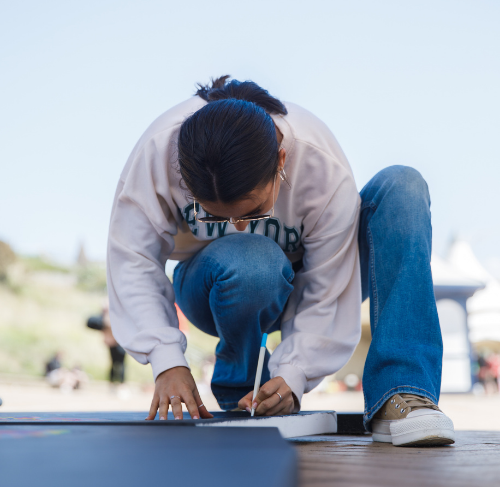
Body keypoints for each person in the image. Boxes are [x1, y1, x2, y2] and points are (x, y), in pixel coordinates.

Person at [107, 76, 455, 446]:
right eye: (214, 216)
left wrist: (294, 372)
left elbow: (329, 282)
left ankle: (400, 393)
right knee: (252, 257)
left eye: (254, 210)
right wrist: (167, 361)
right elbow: (133, 259)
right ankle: (242, 389)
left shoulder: (321, 163)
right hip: (213, 288)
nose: (238, 226)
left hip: (313, 283)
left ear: (281, 161)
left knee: (403, 187)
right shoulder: (158, 151)